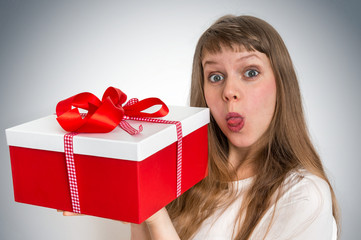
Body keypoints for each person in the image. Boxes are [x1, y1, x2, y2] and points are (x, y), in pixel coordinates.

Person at [62, 15, 340, 240]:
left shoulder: (304, 197)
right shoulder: (187, 174)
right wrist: (137, 211)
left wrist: (157, 215)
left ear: (282, 84)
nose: (229, 91)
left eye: (250, 72)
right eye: (215, 76)